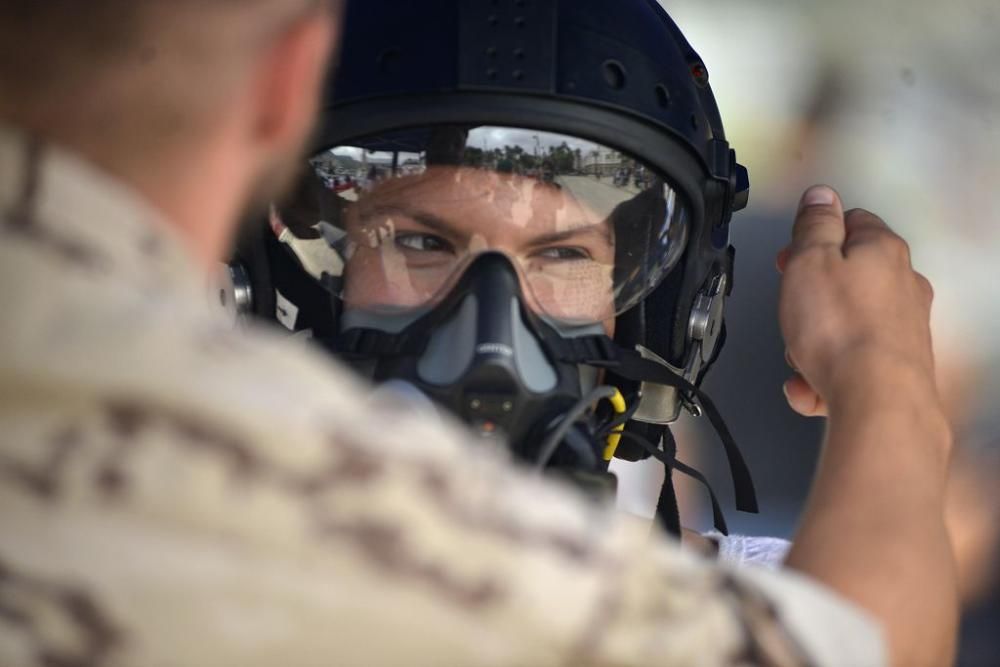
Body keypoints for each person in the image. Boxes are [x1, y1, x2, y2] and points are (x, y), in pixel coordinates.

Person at [0, 2, 955, 667]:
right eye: (421, 241)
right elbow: (866, 643)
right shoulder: (231, 500)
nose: (494, 331)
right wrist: (886, 374)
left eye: (564, 256)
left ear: (668, 310)